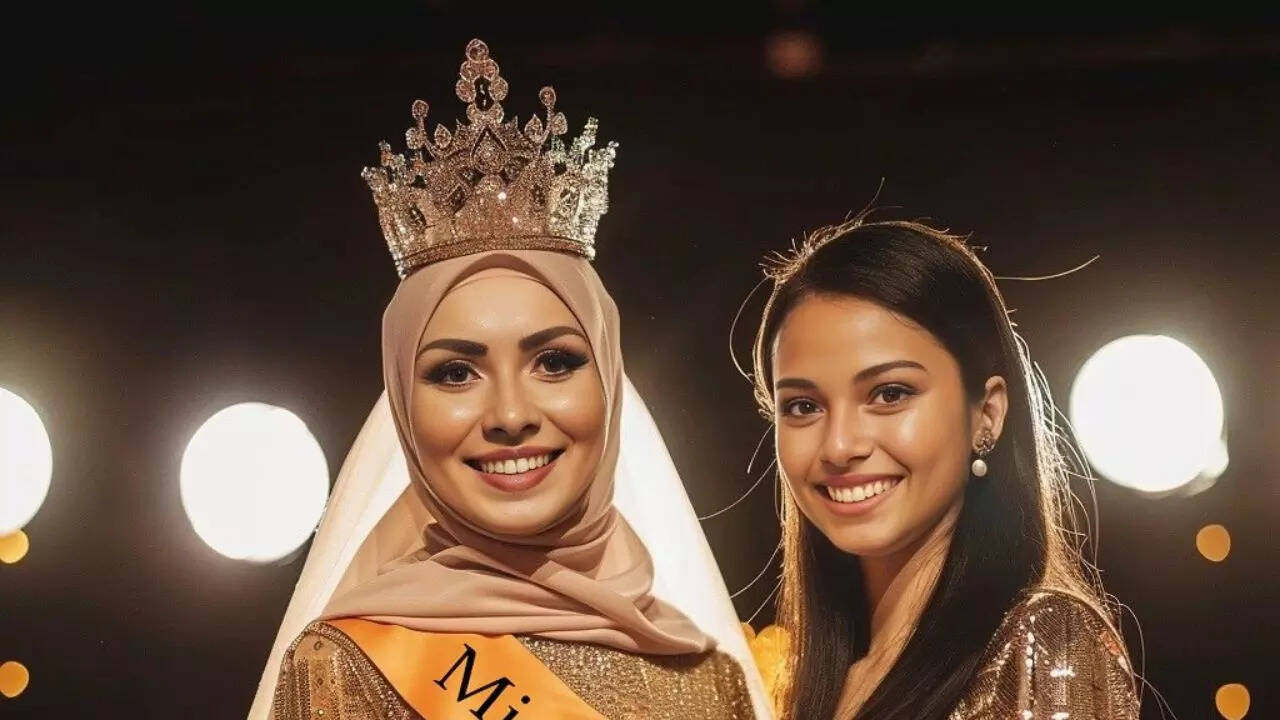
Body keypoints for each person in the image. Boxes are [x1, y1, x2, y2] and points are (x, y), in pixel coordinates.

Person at [248, 39, 766, 719]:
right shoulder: (343, 671)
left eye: (554, 362)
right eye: (456, 372)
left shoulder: (708, 684)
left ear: (609, 385)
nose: (511, 414)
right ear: (403, 407)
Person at [750, 213, 1140, 719]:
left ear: (987, 414)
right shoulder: (800, 687)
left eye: (890, 394)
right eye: (803, 406)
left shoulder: (1043, 642)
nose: (839, 446)